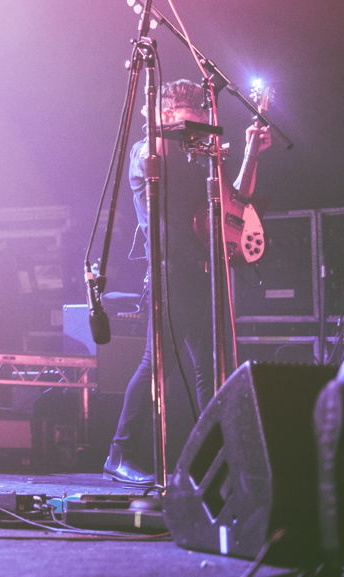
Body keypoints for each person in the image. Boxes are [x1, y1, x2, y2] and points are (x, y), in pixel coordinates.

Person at [104, 79, 273, 485]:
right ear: (164, 116)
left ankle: (215, 455)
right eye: (189, 121)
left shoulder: (200, 155)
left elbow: (236, 200)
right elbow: (157, 153)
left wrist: (249, 151)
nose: (197, 129)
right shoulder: (147, 151)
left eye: (201, 121)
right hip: (170, 271)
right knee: (155, 364)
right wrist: (174, 127)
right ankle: (119, 453)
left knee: (210, 369)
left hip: (206, 271)